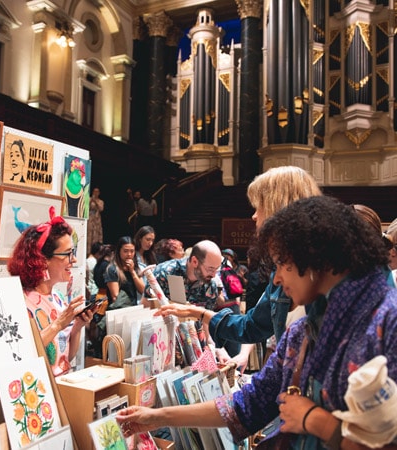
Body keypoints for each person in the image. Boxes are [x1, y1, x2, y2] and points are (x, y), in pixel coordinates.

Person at [117, 195, 397, 450]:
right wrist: (155, 417)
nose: (276, 278)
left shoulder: (387, 322)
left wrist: (315, 421)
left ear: (314, 258)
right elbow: (248, 404)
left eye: (281, 263)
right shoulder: (303, 332)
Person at [156, 166, 322, 370]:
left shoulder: (325, 279)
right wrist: (197, 312)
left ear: (277, 209)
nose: (253, 216)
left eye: (259, 207)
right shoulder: (280, 275)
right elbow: (250, 327)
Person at [7, 207, 93, 376]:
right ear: (43, 260)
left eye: (73, 253)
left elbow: (65, 358)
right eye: (68, 254)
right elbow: (24, 354)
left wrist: (77, 327)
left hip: (63, 390)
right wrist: (57, 325)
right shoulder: (21, 302)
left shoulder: (58, 298)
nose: (74, 260)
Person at [104, 236, 145, 308]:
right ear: (119, 251)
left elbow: (142, 290)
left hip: (133, 308)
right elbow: (115, 296)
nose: (129, 254)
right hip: (118, 309)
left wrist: (132, 272)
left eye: (132, 251)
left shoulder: (135, 267)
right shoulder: (112, 269)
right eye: (125, 251)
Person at [87, 188, 104, 253]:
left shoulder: (100, 201)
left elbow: (101, 208)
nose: (95, 193)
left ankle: (96, 251)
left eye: (97, 192)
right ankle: (88, 252)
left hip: (97, 221)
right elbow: (86, 207)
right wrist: (91, 200)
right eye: (94, 191)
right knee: (89, 235)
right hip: (90, 219)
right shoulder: (89, 199)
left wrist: (95, 201)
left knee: (96, 235)